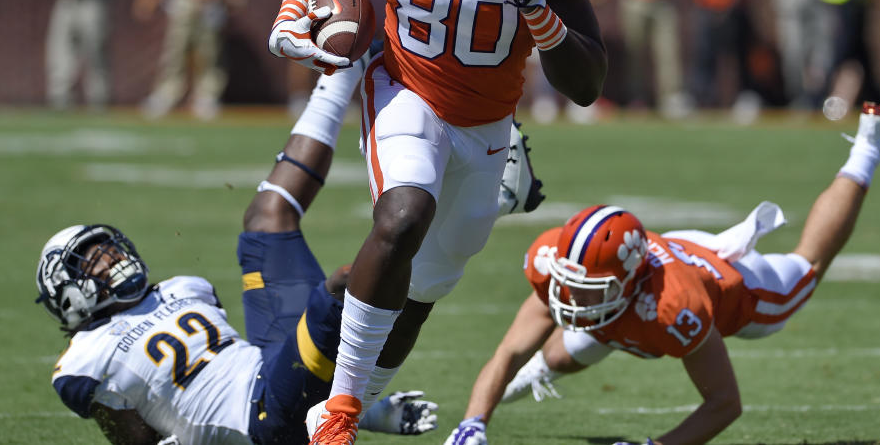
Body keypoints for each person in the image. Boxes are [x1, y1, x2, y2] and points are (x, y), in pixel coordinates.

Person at [267, 0, 607, 444]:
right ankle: (338, 415)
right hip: (406, 87)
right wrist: (292, 8)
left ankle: (349, 404)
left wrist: (541, 13)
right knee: (402, 217)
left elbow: (587, 85)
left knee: (422, 290)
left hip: (488, 125)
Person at [36, 43, 545, 445]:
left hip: (268, 367)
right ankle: (483, 202)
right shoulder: (85, 358)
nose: (113, 262)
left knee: (266, 216)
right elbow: (136, 439)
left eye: (107, 251)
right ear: (70, 295)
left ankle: (346, 64)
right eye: (94, 264)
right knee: (353, 282)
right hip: (264, 421)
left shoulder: (177, 290)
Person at [444, 101, 880, 445]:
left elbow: (725, 404)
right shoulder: (561, 264)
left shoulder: (674, 306)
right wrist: (472, 424)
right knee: (562, 353)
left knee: (806, 268)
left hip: (735, 287)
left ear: (627, 282)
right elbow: (508, 351)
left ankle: (870, 143)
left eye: (588, 291)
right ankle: (514, 392)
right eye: (573, 286)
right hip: (662, 258)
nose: (570, 300)